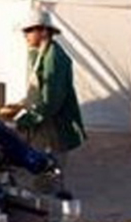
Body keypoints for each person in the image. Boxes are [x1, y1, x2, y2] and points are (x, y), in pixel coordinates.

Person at [11, 10, 85, 168]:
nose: (25, 35)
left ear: (44, 31)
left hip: (54, 125)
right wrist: (22, 104)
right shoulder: (40, 54)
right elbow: (38, 90)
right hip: (44, 121)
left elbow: (51, 100)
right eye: (25, 31)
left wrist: (28, 120)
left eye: (29, 30)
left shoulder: (54, 58)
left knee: (49, 171)